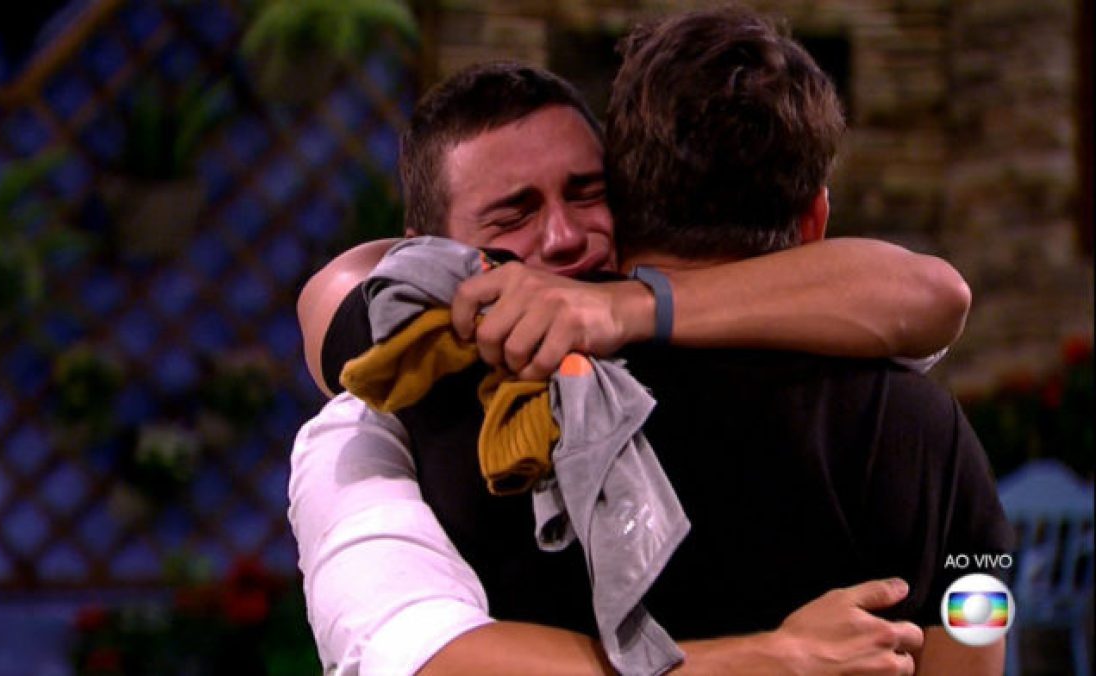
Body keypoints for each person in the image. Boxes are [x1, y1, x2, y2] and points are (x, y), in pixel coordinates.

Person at [290, 16, 983, 674]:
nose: (563, 238)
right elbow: (979, 622)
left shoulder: (439, 423)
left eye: (584, 193)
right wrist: (771, 659)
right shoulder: (917, 420)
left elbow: (936, 292)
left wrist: (625, 305)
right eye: (513, 214)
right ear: (817, 218)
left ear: (628, 202)